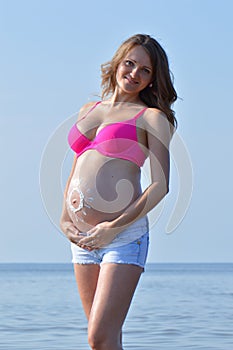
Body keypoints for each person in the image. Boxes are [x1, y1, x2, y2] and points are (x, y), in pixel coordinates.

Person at [60, 33, 177, 350]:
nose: (134, 73)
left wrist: (113, 228)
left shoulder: (152, 118)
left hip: (123, 237)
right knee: (106, 340)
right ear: (117, 63)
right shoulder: (89, 108)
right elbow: (78, 163)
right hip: (83, 239)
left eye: (145, 70)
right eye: (130, 63)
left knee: (99, 337)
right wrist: (64, 218)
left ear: (153, 80)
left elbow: (160, 185)